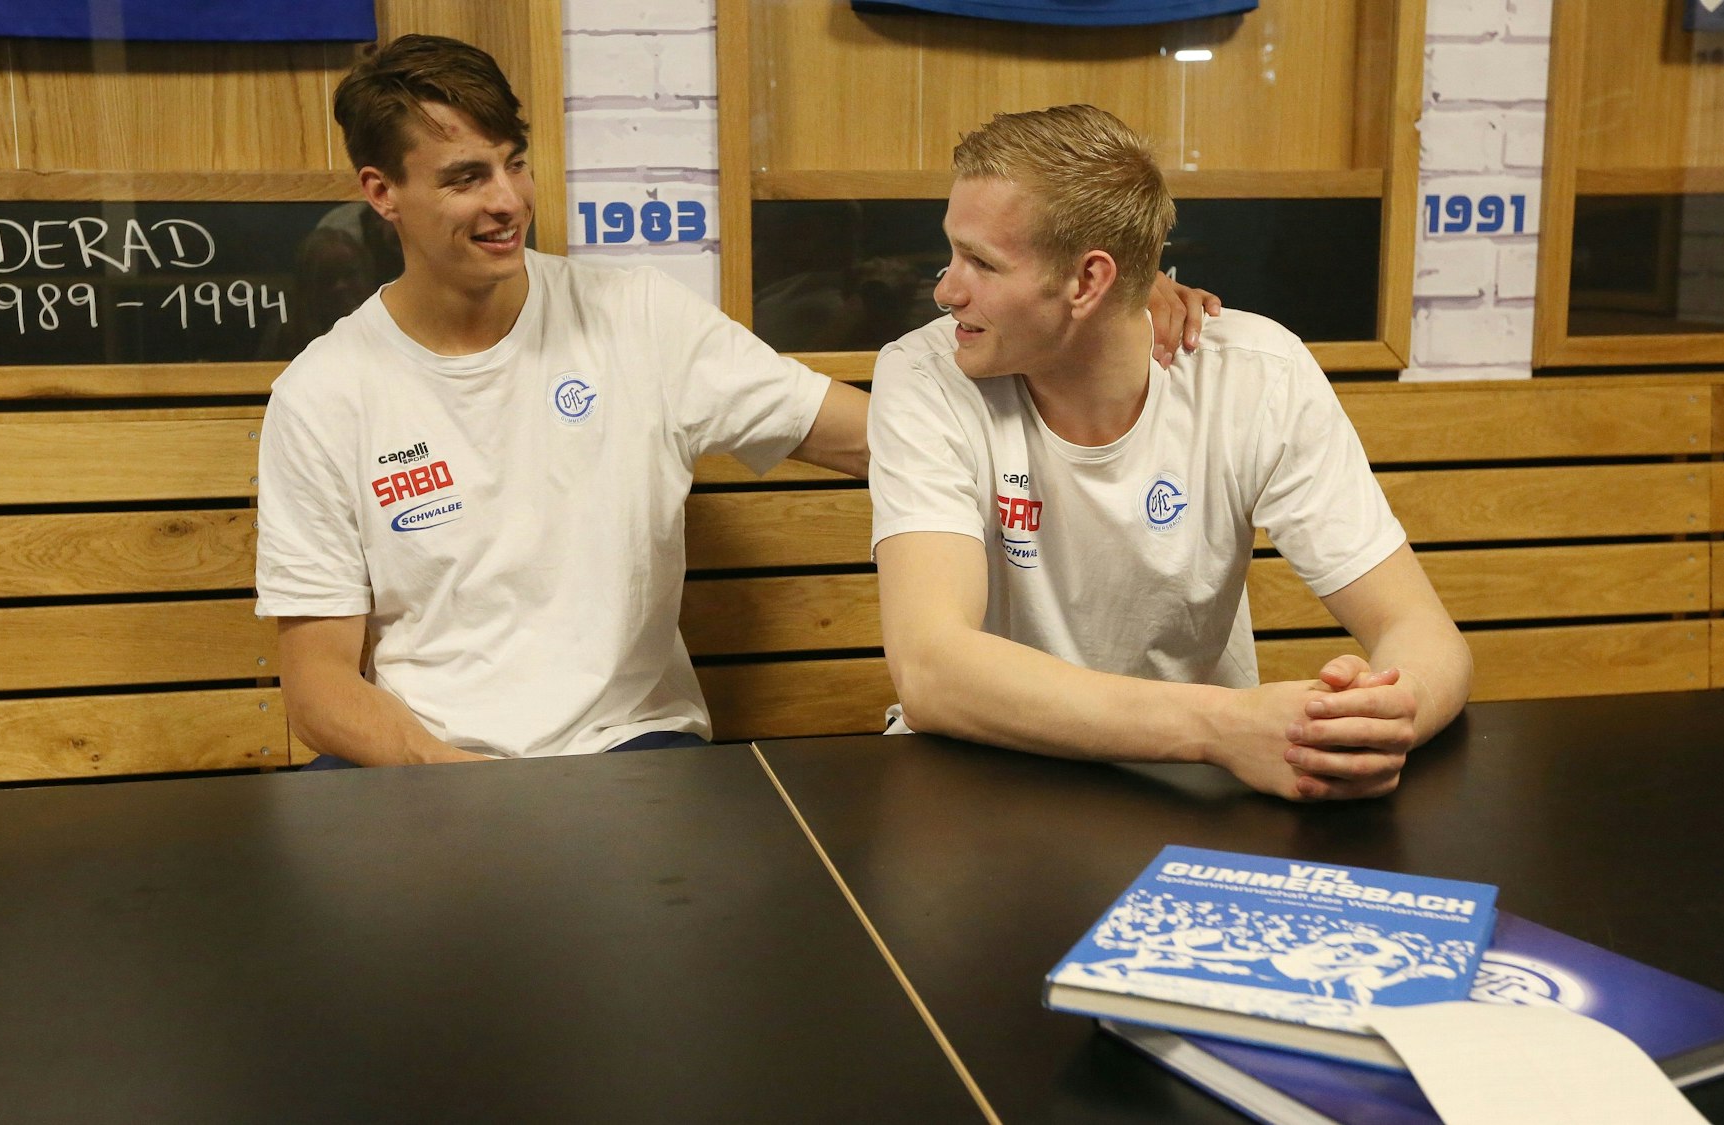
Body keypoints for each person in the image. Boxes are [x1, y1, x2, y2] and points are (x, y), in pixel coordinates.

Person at [255, 38, 1217, 765]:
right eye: (465, 178)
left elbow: (877, 439)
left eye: (515, 160)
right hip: (432, 773)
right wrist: (468, 794)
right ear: (380, 191)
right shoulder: (325, 394)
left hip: (634, 750)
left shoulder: (634, 315)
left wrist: (1112, 318)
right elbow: (320, 685)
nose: (507, 198)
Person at [868, 105, 1472, 801]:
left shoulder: (1257, 374)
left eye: (980, 261)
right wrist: (1221, 726)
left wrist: (1377, 717)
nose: (944, 290)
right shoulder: (923, 376)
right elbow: (932, 669)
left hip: (1192, 791)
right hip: (981, 781)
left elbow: (1422, 631)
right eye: (952, 251)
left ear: (1088, 282)